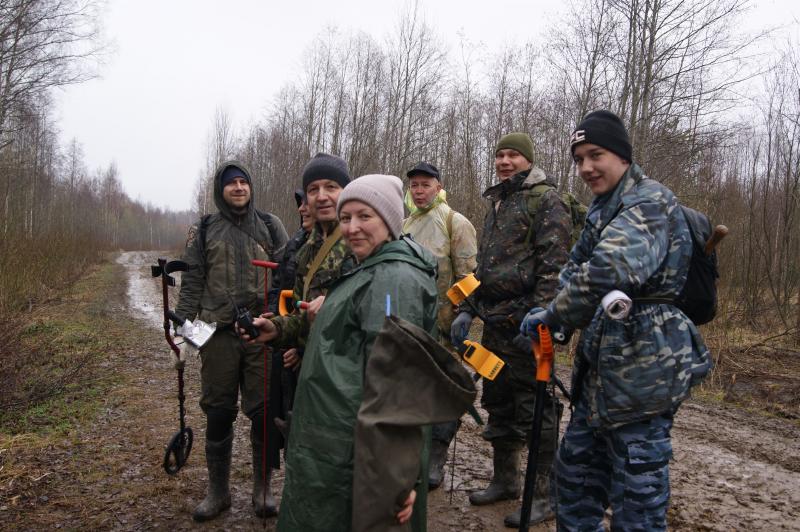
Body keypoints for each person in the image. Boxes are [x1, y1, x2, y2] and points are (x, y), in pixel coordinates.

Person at [519, 110, 712, 531]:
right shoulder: (602, 208)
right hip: (601, 368)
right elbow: (575, 269)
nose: (586, 167)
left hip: (646, 370)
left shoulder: (649, 200)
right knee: (575, 479)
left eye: (596, 154)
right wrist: (555, 323)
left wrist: (553, 315)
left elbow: (610, 271)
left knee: (636, 498)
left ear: (622, 155)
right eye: (579, 158)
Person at [246, 174, 439, 532]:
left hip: (356, 456)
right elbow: (338, 324)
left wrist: (398, 478)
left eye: (365, 216)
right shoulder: (368, 268)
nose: (351, 228)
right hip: (336, 444)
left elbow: (397, 390)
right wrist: (279, 329)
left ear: (390, 220)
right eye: (346, 217)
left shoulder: (393, 280)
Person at [450, 133, 571, 527]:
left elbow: (555, 267)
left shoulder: (545, 200)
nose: (504, 161)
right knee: (498, 399)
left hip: (527, 326)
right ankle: (505, 481)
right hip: (495, 326)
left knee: (537, 408)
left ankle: (544, 496)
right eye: (500, 154)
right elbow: (484, 270)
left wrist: (542, 319)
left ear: (527, 160)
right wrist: (467, 310)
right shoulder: (499, 202)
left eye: (512, 155)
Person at [173, 160, 288, 521]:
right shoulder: (204, 229)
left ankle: (263, 488)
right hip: (217, 335)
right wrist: (182, 329)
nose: (238, 188)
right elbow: (192, 281)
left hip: (260, 333)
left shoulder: (270, 226)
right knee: (219, 411)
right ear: (220, 190)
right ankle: (218, 492)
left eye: (243, 182)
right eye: (231, 184)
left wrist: (281, 322)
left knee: (263, 412)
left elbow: (288, 275)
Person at [402, 161, 477, 489]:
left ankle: (436, 456)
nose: (419, 191)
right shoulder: (404, 224)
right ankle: (411, 454)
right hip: (410, 326)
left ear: (438, 186)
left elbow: (470, 278)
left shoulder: (454, 223)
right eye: (414, 185)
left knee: (445, 391)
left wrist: (464, 313)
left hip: (444, 329)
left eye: (425, 185)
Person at [268, 152, 354, 351]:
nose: (322, 196)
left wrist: (335, 305)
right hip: (310, 369)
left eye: (331, 187)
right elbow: (302, 315)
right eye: (313, 189)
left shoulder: (361, 241)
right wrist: (275, 328)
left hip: (345, 372)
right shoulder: (305, 249)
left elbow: (380, 310)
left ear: (346, 191)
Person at [270, 189, 314, 441]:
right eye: (300, 203)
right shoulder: (296, 242)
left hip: (310, 354)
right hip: (286, 346)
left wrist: (300, 350)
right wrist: (275, 322)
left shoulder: (346, 247)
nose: (302, 209)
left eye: (306, 203)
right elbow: (280, 286)